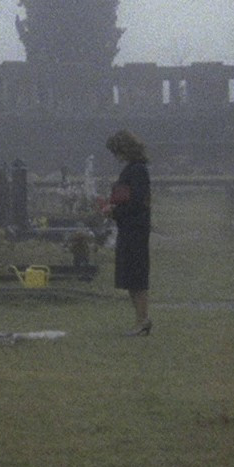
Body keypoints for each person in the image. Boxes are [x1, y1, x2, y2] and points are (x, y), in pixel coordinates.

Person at [102, 129, 152, 335]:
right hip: (128, 227)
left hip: (135, 229)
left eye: (117, 152)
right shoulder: (132, 169)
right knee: (131, 277)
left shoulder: (137, 170)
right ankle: (141, 319)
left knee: (136, 277)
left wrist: (115, 211)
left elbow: (137, 202)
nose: (116, 157)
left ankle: (143, 320)